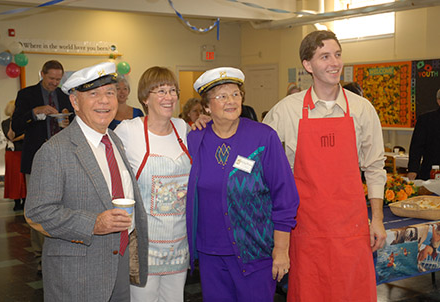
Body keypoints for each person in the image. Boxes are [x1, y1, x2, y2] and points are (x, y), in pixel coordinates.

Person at [263, 30, 387, 301]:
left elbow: (375, 167)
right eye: (325, 57)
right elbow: (257, 153)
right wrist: (212, 126)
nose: (335, 63)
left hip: (352, 229)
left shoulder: (362, 109)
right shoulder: (286, 111)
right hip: (306, 229)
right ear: (308, 65)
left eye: (338, 55)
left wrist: (376, 219)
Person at [24, 62, 148, 301]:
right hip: (78, 274)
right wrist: (93, 224)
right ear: (75, 102)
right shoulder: (54, 151)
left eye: (110, 93)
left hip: (119, 261)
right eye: (94, 94)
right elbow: (37, 213)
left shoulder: (114, 140)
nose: (105, 101)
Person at [187, 67, 299, 302]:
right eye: (222, 96)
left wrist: (281, 250)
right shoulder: (195, 138)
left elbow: (285, 198)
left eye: (236, 94)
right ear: (206, 107)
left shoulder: (264, 137)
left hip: (255, 253)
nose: (231, 101)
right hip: (210, 255)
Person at [115, 66, 190, 302]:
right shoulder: (129, 130)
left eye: (172, 91)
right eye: (160, 91)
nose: (168, 97)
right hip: (144, 245)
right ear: (145, 98)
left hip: (179, 242)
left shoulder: (184, 128)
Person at [12, 60, 74, 273]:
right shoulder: (27, 95)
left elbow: (76, 125)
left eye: (58, 80)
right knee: (38, 209)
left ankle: (62, 250)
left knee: (65, 206)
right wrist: (35, 112)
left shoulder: (65, 97)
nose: (54, 83)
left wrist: (67, 121)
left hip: (64, 159)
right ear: (42, 74)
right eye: (51, 79)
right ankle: (41, 256)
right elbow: (16, 126)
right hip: (36, 158)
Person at [407, 89, 440, 180]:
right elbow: (416, 147)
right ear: (438, 101)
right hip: (430, 172)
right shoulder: (426, 119)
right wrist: (413, 170)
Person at [1, 100, 26, 211]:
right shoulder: (5, 123)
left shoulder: (24, 121)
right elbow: (10, 137)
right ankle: (16, 201)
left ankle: (25, 200)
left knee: (24, 177)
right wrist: (12, 122)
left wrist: (16, 139)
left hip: (23, 151)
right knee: (14, 177)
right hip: (12, 153)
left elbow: (27, 135)